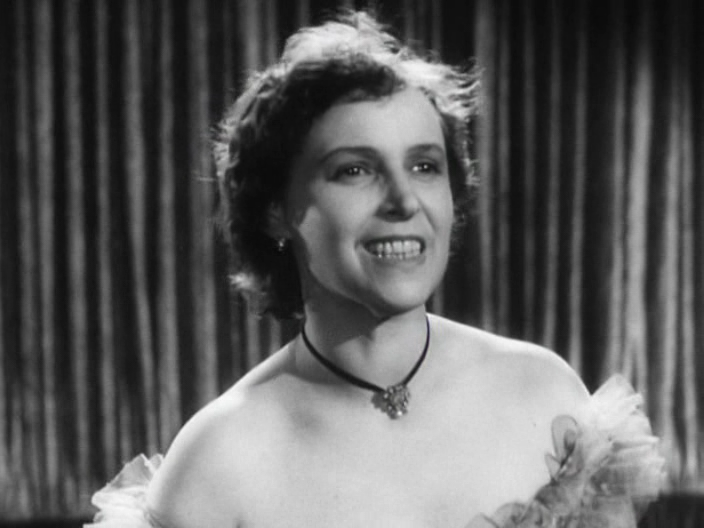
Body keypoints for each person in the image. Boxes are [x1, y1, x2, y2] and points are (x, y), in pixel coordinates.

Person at [86, 11, 664, 528]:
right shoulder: (217, 465)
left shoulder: (543, 394)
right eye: (355, 170)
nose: (403, 200)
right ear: (276, 210)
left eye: (424, 165)